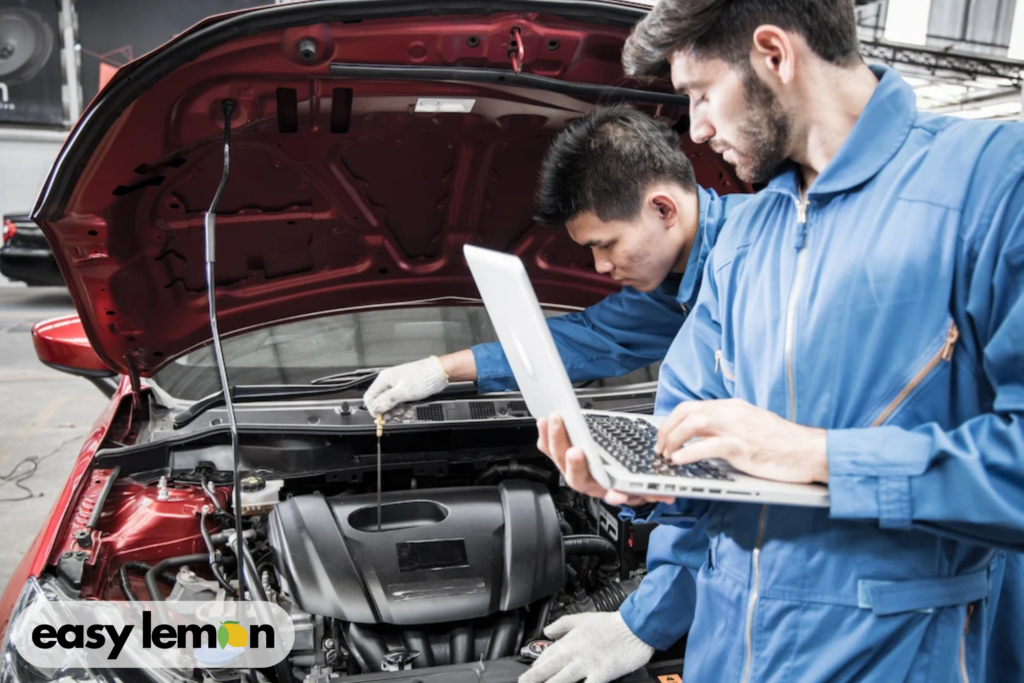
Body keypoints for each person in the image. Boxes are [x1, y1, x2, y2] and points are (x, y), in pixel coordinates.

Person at [531, 0, 1024, 681]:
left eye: (702, 94)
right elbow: (690, 439)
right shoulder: (744, 241)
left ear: (774, 54)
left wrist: (819, 454)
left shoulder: (995, 186)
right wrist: (637, 481)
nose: (697, 131)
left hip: (898, 655)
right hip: (726, 656)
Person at [363, 106, 750, 683]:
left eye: (606, 243)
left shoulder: (753, 270)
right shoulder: (679, 276)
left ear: (663, 208)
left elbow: (729, 497)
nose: (599, 266)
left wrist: (643, 622)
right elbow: (592, 337)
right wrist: (441, 369)